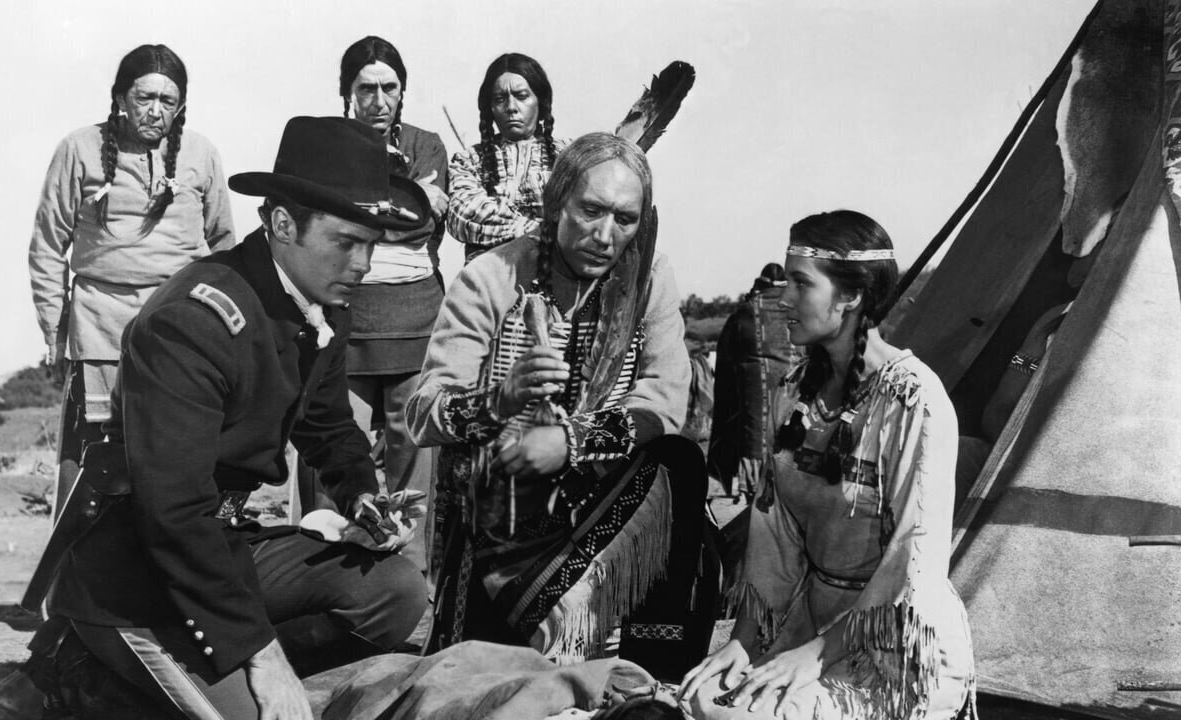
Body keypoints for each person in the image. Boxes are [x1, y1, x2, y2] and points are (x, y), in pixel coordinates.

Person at [0, 118, 430, 720]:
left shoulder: (320, 302)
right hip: (137, 574)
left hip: (220, 546)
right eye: (347, 242)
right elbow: (173, 512)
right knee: (258, 713)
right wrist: (262, 657)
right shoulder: (193, 320)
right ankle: (73, 672)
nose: (364, 263)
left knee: (395, 593)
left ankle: (151, 686)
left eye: (372, 245)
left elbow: (325, 424)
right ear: (282, 225)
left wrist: (363, 498)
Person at [407, 132, 702, 664]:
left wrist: (571, 441)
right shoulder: (491, 277)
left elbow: (665, 399)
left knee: (679, 461)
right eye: (590, 210)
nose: (605, 235)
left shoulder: (649, 278)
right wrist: (499, 401)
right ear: (556, 201)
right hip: (501, 515)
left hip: (603, 504)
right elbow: (424, 413)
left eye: (625, 219)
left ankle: (652, 666)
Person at [679, 211, 975, 720]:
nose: (784, 299)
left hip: (892, 647)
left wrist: (816, 655)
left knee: (741, 717)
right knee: (702, 696)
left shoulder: (913, 400)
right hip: (811, 627)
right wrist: (743, 643)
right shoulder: (794, 392)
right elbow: (772, 537)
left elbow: (911, 562)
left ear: (851, 296)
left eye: (801, 283)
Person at [28, 44, 235, 521]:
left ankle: (169, 560)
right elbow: (47, 245)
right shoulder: (79, 149)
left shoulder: (201, 154)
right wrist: (55, 331)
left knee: (177, 453)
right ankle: (76, 565)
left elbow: (224, 246)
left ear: (181, 106)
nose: (155, 110)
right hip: (100, 326)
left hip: (180, 331)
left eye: (168, 100)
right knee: (92, 458)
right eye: (145, 98)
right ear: (121, 98)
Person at [335, 36, 449, 576]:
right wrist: (405, 201)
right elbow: (333, 224)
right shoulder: (329, 144)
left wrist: (365, 209)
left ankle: (409, 578)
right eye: (366, 88)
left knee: (413, 451)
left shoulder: (427, 145)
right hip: (346, 315)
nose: (378, 100)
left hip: (415, 315)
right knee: (341, 448)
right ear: (347, 92)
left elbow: (424, 223)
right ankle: (332, 572)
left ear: (403, 91)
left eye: (389, 87)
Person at [447, 52, 567, 261]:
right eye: (500, 99)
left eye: (522, 96)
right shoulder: (470, 160)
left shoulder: (567, 156)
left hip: (553, 270)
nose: (511, 107)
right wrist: (534, 230)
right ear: (490, 108)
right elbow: (463, 214)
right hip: (488, 273)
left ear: (540, 102)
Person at [708, 263, 801, 499]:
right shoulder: (799, 311)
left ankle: (753, 493)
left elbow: (726, 372)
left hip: (755, 421)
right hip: (796, 407)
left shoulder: (746, 312)